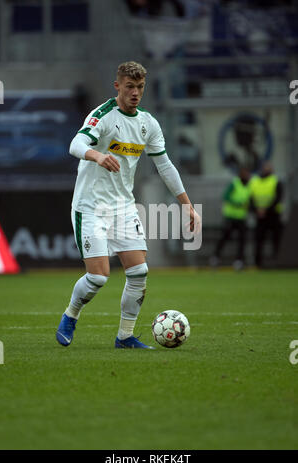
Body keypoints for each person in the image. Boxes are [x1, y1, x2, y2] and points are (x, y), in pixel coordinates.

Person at [56, 61, 201, 349]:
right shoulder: (103, 117)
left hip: (123, 207)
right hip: (90, 206)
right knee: (98, 277)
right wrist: (97, 156)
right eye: (130, 86)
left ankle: (124, 337)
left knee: (139, 273)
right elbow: (75, 144)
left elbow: (165, 166)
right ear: (118, 86)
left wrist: (186, 204)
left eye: (140, 87)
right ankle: (71, 315)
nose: (135, 93)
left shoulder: (148, 123)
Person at [210, 167, 251, 270]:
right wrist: (237, 204)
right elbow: (226, 196)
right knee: (224, 238)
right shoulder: (235, 183)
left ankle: (239, 261)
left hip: (242, 217)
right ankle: (215, 257)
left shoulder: (249, 185)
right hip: (230, 216)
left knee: (242, 240)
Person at [250, 161, 283, 268]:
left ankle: (278, 261)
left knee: (276, 239)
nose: (267, 169)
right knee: (259, 240)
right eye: (265, 167)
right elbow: (250, 198)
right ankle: (258, 263)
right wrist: (256, 210)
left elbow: (278, 198)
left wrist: (266, 210)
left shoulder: (276, 181)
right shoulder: (254, 181)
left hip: (273, 215)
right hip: (260, 216)